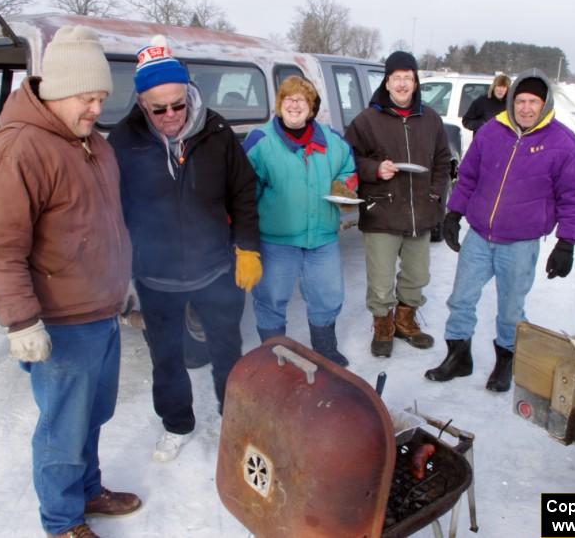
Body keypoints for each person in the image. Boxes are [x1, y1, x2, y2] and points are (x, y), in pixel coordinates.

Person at [0, 25, 140, 538]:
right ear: (59, 90)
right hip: (62, 319)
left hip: (102, 309)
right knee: (63, 428)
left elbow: (104, 223)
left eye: (101, 98)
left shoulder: (92, 144)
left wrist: (121, 283)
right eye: (88, 98)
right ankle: (63, 521)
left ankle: (88, 489)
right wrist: (21, 321)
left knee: (92, 415)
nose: (95, 108)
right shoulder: (19, 149)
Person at [108, 36, 260, 463]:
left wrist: (247, 248)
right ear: (141, 103)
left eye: (179, 104)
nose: (172, 115)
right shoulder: (123, 142)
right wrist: (120, 274)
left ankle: (236, 421)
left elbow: (243, 192)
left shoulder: (215, 131)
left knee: (228, 351)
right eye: (160, 109)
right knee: (167, 358)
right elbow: (111, 212)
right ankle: (177, 424)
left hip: (216, 269)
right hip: (156, 276)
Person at [425, 68, 575, 392]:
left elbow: (574, 198)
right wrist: (454, 213)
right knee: (461, 299)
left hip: (520, 244)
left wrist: (566, 243)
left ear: (545, 104)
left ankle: (505, 362)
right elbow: (468, 175)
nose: (526, 108)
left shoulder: (564, 144)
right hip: (479, 237)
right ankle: (459, 357)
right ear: (511, 99)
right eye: (521, 100)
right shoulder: (491, 131)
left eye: (534, 102)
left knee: (510, 308)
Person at [243, 76, 358, 366]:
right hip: (276, 241)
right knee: (270, 299)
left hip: (322, 239)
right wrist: (243, 234)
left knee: (328, 296)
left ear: (311, 107)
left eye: (301, 99)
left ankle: (325, 349)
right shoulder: (260, 141)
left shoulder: (331, 140)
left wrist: (343, 186)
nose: (294, 104)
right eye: (287, 98)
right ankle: (272, 354)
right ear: (280, 105)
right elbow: (243, 190)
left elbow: (349, 169)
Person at [345, 51, 452, 358]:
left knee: (417, 276)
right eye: (397, 78)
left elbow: (443, 160)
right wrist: (375, 170)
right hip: (382, 210)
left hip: (420, 210)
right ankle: (382, 325)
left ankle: (405, 321)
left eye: (409, 78)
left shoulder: (430, 118)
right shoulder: (367, 120)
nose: (403, 84)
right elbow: (349, 158)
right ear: (387, 82)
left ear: (416, 82)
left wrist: (435, 193)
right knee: (380, 281)